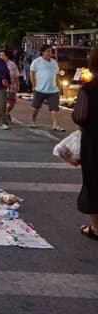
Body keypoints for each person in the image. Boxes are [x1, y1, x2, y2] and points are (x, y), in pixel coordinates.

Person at [72, 49, 98, 242]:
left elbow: (79, 116)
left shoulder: (89, 89)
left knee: (93, 181)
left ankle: (96, 228)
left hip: (94, 141)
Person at [30, 44, 63, 131]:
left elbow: (56, 75)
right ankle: (33, 120)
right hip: (40, 89)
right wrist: (33, 85)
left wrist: (59, 86)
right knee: (36, 107)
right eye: (47, 51)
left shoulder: (54, 62)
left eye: (50, 51)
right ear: (43, 52)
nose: (49, 53)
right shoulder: (36, 62)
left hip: (53, 89)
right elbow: (32, 73)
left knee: (54, 108)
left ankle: (55, 124)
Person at [1, 48, 20, 123]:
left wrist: (18, 85)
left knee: (12, 103)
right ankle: (4, 117)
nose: (1, 57)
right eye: (0, 55)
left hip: (12, 87)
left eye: (3, 55)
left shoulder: (12, 65)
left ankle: (6, 113)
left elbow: (16, 76)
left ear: (7, 56)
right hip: (2, 87)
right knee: (3, 103)